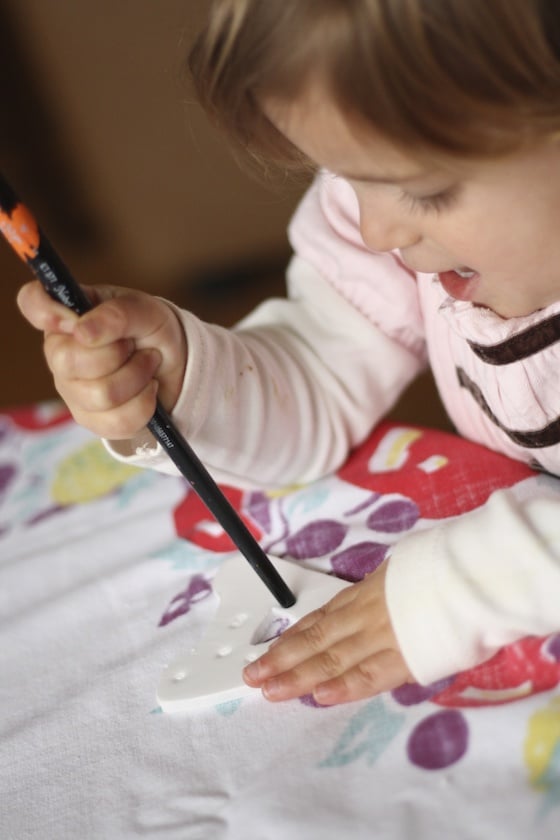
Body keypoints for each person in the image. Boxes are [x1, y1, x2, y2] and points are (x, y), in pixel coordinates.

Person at [17, 0, 560, 706]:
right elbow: (319, 375)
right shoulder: (396, 228)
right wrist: (179, 376)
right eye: (344, 175)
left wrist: (465, 586)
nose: (373, 230)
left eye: (427, 189)